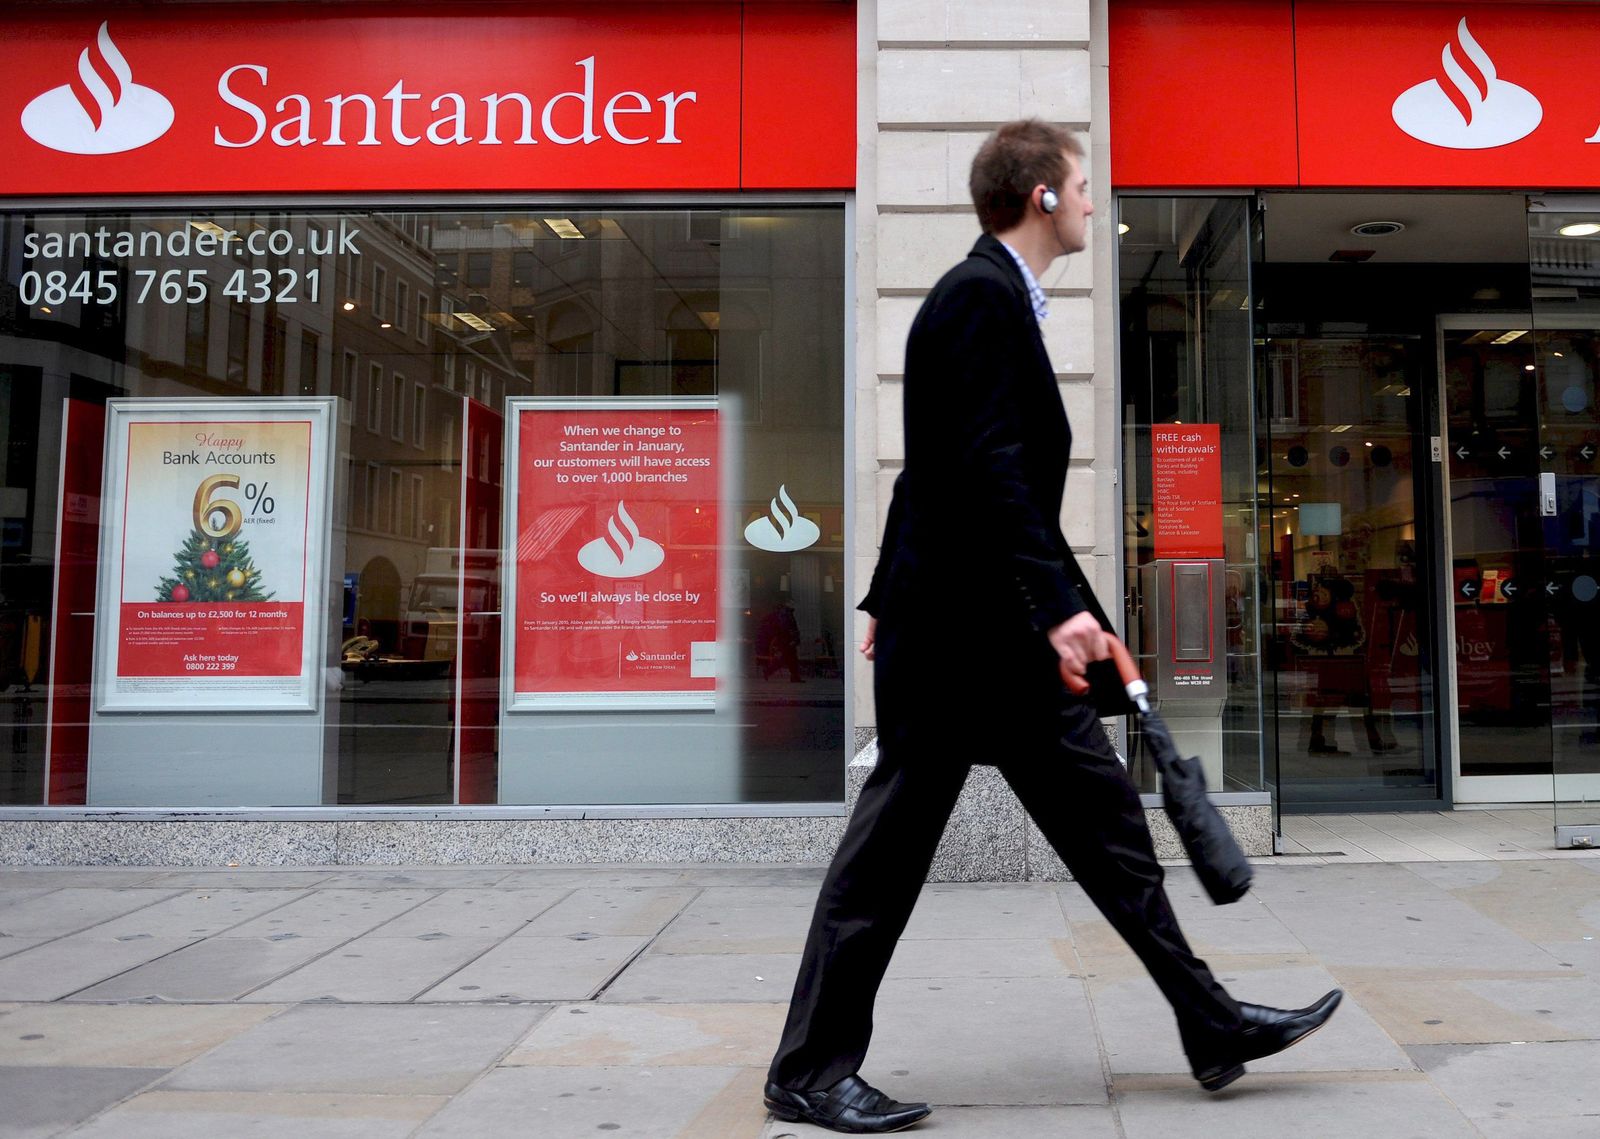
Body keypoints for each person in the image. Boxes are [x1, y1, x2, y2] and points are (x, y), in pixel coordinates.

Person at [762, 120, 1342, 1134]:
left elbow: (941, 472)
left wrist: (1082, 621)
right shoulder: (977, 295)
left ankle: (1209, 1024)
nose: (1088, 199)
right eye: (1080, 184)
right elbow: (980, 471)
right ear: (1038, 195)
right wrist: (1022, 608)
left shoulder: (996, 300)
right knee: (886, 856)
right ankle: (808, 1068)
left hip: (998, 639)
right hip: (954, 647)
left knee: (1111, 829)